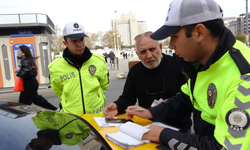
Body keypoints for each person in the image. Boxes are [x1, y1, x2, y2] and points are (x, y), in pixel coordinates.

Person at [126, 0, 250, 149]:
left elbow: (225, 147)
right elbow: (185, 98)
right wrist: (150, 112)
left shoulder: (243, 77)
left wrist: (163, 134)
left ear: (199, 33)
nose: (170, 45)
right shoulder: (202, 61)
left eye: (174, 37)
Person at [104, 31, 190, 132]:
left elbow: (188, 98)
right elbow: (128, 98)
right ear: (137, 54)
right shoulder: (135, 71)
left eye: (152, 49)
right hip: (147, 128)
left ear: (160, 47)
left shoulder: (178, 65)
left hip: (179, 128)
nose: (149, 56)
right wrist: (117, 106)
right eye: (143, 52)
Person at [48, 22, 109, 114]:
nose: (80, 44)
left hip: (97, 117)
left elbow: (104, 84)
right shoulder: (56, 67)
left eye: (81, 40)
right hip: (72, 118)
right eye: (74, 41)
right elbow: (57, 90)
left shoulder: (98, 61)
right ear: (65, 43)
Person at [15, 45, 57, 111]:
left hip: (29, 84)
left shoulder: (25, 60)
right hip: (32, 83)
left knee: (23, 103)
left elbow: (27, 72)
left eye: (19, 51)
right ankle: (54, 109)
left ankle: (21, 116)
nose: (19, 52)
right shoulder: (28, 60)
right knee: (36, 99)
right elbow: (32, 72)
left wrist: (19, 73)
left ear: (23, 53)